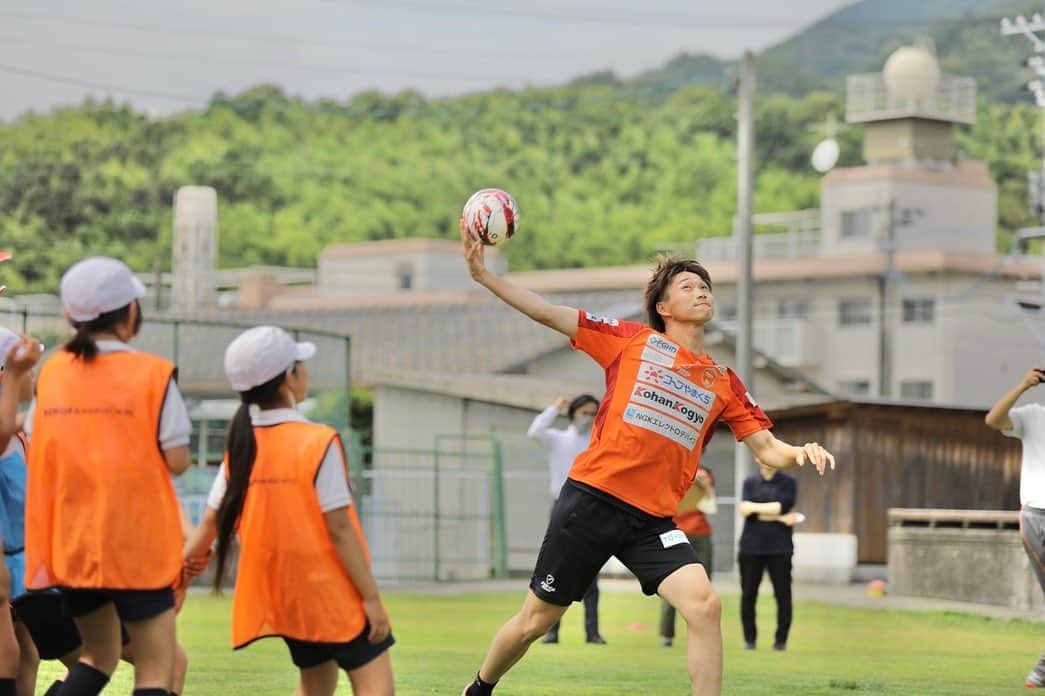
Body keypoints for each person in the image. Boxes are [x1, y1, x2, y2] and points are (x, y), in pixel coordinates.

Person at [457, 219, 836, 696]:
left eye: (705, 286)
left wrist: (801, 452)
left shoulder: (723, 380)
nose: (702, 293)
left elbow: (766, 448)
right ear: (664, 307)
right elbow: (551, 313)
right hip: (592, 502)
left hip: (652, 520)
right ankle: (479, 688)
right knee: (536, 620)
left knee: (704, 605)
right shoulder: (632, 341)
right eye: (688, 286)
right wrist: (486, 277)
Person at [182, 325, 394, 696]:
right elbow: (339, 529)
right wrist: (372, 599)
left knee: (315, 685)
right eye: (300, 365)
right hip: (331, 592)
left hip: (286, 595)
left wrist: (176, 577)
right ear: (288, 379)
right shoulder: (317, 441)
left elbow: (210, 524)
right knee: (377, 689)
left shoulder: (241, 446)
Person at [23, 256, 192, 696]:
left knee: (98, 657)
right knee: (157, 669)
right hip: (138, 546)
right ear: (131, 312)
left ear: (70, 316)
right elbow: (177, 459)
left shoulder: (53, 373)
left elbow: (39, 443)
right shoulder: (152, 374)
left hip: (75, 547)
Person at [526, 394, 605, 645]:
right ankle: (551, 631)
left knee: (591, 574)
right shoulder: (559, 439)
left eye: (594, 414)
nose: (589, 418)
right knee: (555, 569)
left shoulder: (598, 441)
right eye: (584, 413)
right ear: (573, 414)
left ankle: (592, 633)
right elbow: (535, 431)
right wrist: (554, 408)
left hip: (592, 508)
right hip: (562, 506)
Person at [984, 366, 1045, 689]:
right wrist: (1022, 386)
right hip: (1037, 517)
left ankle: (1043, 669)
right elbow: (993, 420)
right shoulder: (1034, 416)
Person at [0, 330, 43, 696]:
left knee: (26, 655)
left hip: (23, 569)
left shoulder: (20, 432)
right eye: (28, 369)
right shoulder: (6, 434)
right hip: (11, 568)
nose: (33, 376)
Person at [737, 461, 804, 652]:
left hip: (780, 548)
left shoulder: (789, 482)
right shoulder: (749, 482)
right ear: (757, 459)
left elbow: (783, 506)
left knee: (783, 595)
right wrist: (778, 515)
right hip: (750, 548)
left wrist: (755, 508)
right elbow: (743, 509)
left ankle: (780, 641)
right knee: (748, 595)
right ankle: (749, 640)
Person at [659, 468, 716, 648]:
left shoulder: (704, 473)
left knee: (703, 588)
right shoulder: (672, 471)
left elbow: (710, 506)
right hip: (675, 532)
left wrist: (705, 486)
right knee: (670, 584)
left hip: (700, 534)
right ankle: (666, 634)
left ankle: (702, 633)